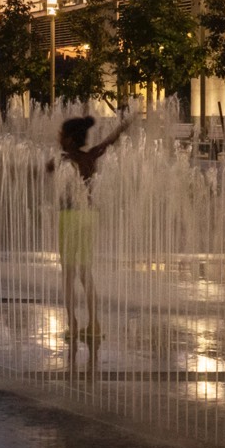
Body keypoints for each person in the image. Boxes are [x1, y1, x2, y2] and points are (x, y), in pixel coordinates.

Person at [46, 112, 129, 344]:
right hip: (89, 217)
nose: (58, 137)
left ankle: (72, 324)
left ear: (70, 139)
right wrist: (124, 126)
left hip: (69, 217)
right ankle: (94, 323)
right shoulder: (90, 157)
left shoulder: (62, 159)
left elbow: (42, 170)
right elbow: (108, 142)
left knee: (69, 274)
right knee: (86, 273)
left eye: (62, 134)